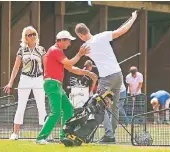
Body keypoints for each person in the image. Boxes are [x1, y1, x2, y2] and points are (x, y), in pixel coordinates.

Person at [74, 10, 138, 143]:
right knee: (114, 107)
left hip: (106, 77)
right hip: (118, 75)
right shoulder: (102, 36)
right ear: (88, 30)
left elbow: (74, 60)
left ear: (80, 35)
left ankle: (109, 135)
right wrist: (133, 18)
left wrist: (80, 54)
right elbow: (122, 30)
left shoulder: (84, 47)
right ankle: (111, 134)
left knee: (99, 106)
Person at [35, 30, 97, 144]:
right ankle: (41, 138)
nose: (69, 44)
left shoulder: (57, 52)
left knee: (68, 109)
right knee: (56, 112)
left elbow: (71, 68)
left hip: (56, 85)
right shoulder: (56, 50)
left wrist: (87, 73)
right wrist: (80, 54)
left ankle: (63, 136)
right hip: (52, 84)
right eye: (68, 41)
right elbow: (69, 63)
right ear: (61, 41)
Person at [3, 26, 47, 140]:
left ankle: (45, 134)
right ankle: (15, 133)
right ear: (25, 38)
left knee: (41, 106)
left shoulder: (41, 50)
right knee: (21, 106)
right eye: (29, 35)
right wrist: (10, 82)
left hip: (38, 79)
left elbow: (46, 66)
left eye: (33, 34)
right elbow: (16, 67)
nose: (32, 36)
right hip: (25, 78)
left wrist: (47, 80)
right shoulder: (21, 50)